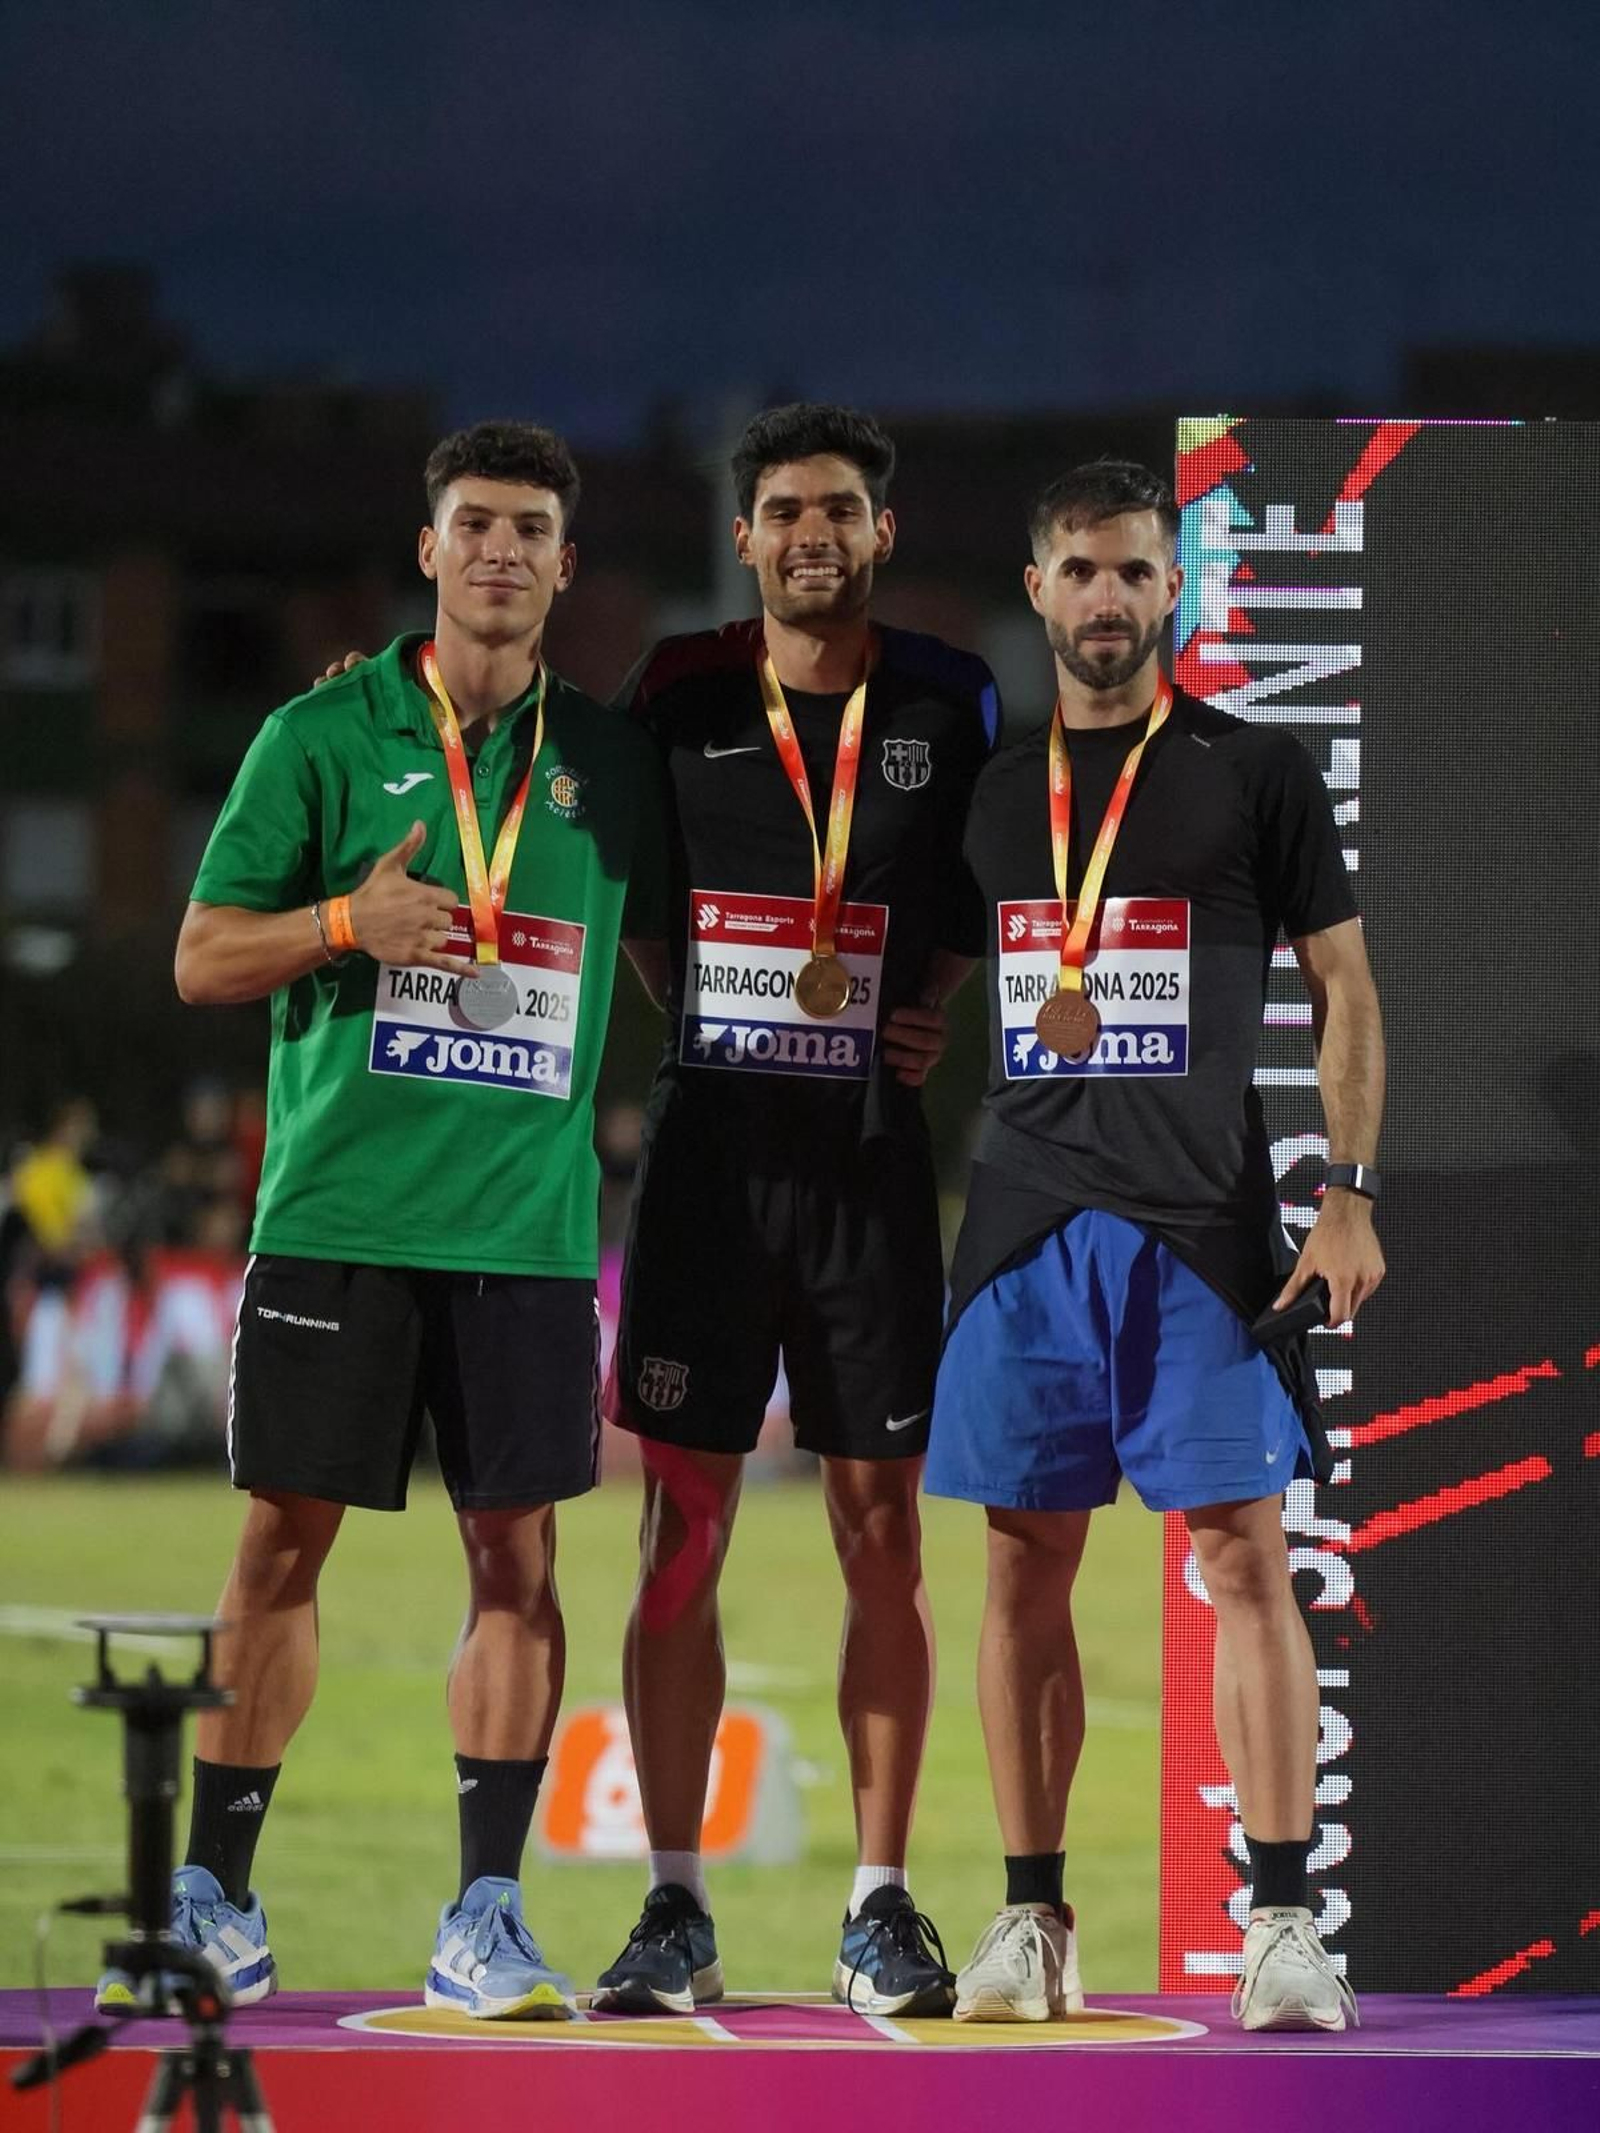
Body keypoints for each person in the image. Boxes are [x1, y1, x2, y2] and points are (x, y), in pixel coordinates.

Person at [97, 419, 664, 2022]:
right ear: (430, 549)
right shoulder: (320, 735)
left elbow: (684, 965)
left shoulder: (611, 762)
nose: (500, 549)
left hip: (523, 1234)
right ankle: (216, 1898)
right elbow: (203, 955)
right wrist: (350, 918)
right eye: (473, 522)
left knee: (519, 1559)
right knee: (277, 1546)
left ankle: (487, 1914)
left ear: (565, 564)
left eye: (530, 528)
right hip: (339, 1215)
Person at [926, 459, 1384, 2031]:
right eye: (1081, 570)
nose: (1109, 596)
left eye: (1135, 569)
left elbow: (1343, 984)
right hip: (1025, 1230)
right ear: (1039, 588)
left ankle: (1283, 1923)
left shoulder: (1255, 770)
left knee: (1244, 1556)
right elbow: (924, 972)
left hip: (1200, 1228)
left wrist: (1349, 1191)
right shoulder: (994, 790)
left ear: (1174, 585)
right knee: (1019, 1567)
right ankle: (1032, 1916)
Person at [594, 404, 998, 2017]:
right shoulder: (678, 691)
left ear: (882, 531)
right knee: (677, 1531)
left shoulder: (951, 699)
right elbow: (629, 894)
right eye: (783, 510)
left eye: (839, 508)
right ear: (744, 536)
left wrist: (936, 1006)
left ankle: (878, 1906)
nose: (811, 534)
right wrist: (703, 1013)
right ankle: (674, 1905)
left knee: (882, 1533)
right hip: (708, 1167)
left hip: (869, 1169)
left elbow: (984, 887)